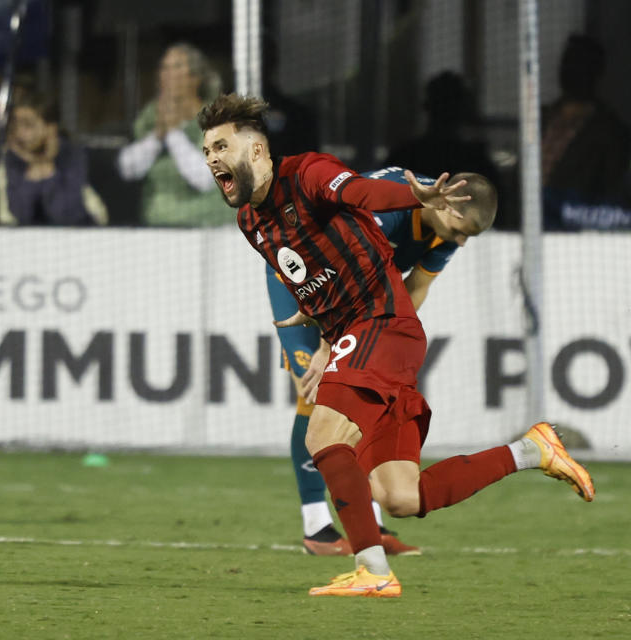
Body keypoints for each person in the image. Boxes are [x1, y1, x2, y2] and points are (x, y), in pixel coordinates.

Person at [198, 94, 594, 597]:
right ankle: (532, 450)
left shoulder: (308, 174)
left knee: (323, 434)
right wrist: (316, 321)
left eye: (222, 146)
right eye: (207, 149)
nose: (211, 158)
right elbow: (305, 266)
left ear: (256, 152)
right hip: (368, 329)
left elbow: (362, 192)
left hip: (378, 323)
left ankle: (371, 569)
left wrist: (418, 197)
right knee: (403, 495)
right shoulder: (250, 223)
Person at [267, 166, 497, 557]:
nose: (460, 241)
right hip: (300, 278)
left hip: (351, 297)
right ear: (448, 204)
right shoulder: (385, 207)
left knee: (364, 399)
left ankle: (368, 521)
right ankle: (316, 527)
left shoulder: (443, 231)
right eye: (461, 231)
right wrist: (328, 348)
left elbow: (413, 290)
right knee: (316, 396)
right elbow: (332, 269)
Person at [117, 43, 226, 227]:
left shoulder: (217, 117)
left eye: (176, 68)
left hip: (207, 228)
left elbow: (205, 179)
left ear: (195, 78)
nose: (167, 75)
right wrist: (157, 136)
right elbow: (128, 169)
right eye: (164, 68)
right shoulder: (151, 115)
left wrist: (173, 134)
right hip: (156, 225)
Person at [384, 71, 503, 222]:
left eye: (450, 104)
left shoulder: (403, 156)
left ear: (426, 106)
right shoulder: (404, 158)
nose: (446, 111)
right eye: (442, 104)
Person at [541, 34, 631, 229]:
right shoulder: (540, 119)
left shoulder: (610, 132)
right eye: (568, 62)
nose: (570, 71)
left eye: (580, 64)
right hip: (525, 228)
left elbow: (612, 194)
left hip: (574, 236)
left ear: (596, 72)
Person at [0, 89, 107, 226]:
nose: (19, 132)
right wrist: (33, 170)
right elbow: (21, 213)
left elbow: (65, 214)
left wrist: (48, 172)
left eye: (28, 125)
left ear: (51, 128)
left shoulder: (71, 155)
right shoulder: (13, 157)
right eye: (16, 124)